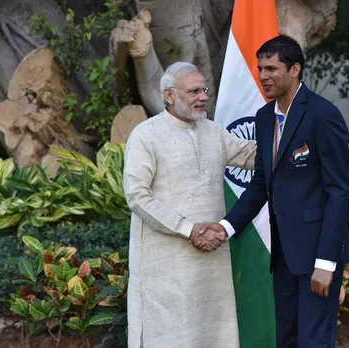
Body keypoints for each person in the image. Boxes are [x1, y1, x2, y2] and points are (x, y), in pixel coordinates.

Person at [200, 35, 349, 347]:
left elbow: (339, 192)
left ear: (295, 69)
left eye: (271, 68)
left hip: (317, 255)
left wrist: (325, 262)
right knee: (286, 337)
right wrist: (226, 226)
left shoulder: (323, 115)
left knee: (314, 340)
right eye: (260, 68)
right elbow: (261, 185)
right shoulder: (264, 117)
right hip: (283, 254)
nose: (263, 75)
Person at [122, 61, 257, 348]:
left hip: (212, 260)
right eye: (194, 91)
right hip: (167, 262)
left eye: (204, 89)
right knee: (171, 336)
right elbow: (136, 195)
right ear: (169, 96)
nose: (204, 97)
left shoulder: (213, 132)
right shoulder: (146, 135)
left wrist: (293, 131)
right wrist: (187, 229)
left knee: (214, 334)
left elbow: (254, 157)